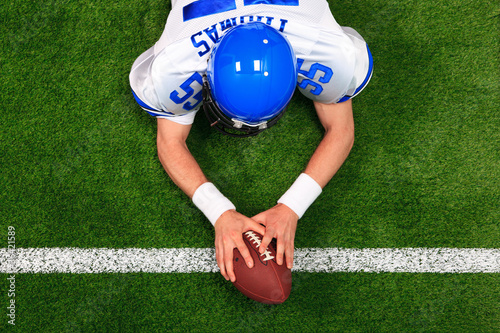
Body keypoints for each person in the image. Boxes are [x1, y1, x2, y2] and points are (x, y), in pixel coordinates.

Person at [129, 0, 373, 283]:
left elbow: (341, 131)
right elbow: (169, 142)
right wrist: (218, 211)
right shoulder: (326, 50)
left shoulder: (176, 66)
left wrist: (292, 207)